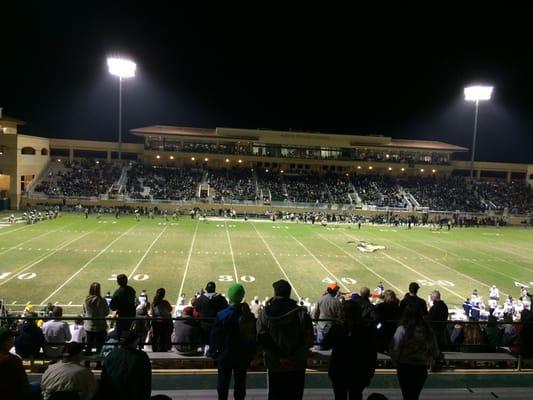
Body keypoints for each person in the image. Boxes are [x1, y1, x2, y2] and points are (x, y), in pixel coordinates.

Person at [257, 279, 314, 400]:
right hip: (296, 364)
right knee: (295, 395)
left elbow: (261, 337)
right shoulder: (301, 313)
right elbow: (308, 339)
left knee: (275, 395)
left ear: (276, 293)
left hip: (275, 364)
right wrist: (293, 357)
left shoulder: (265, 313)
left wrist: (279, 357)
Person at [210, 284, 257, 400]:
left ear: (229, 297)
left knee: (222, 385)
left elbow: (214, 337)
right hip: (242, 355)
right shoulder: (248, 315)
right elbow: (253, 337)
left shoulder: (222, 315)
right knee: (240, 385)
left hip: (225, 355)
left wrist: (213, 353)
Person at [323, 300, 377, 400]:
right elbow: (372, 352)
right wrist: (370, 371)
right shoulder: (366, 329)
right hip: (358, 371)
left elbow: (325, 344)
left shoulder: (337, 328)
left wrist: (333, 326)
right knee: (356, 396)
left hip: (339, 370)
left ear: (343, 313)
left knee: (339, 396)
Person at [391, 303, 439, 400]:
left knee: (407, 395)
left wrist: (395, 361)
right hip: (421, 366)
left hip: (405, 366)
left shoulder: (402, 329)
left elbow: (395, 348)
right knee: (414, 396)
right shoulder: (427, 330)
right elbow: (435, 351)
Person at [100, 330, 152, 400]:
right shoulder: (141, 356)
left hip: (114, 394)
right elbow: (146, 380)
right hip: (134, 395)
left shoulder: (112, 355)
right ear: (133, 342)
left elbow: (104, 377)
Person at [0, 326, 33, 400]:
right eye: (12, 337)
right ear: (6, 341)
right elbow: (24, 382)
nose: (14, 339)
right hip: (11, 394)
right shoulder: (13, 359)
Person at [194, 281, 228, 348]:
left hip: (204, 324)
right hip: (217, 323)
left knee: (205, 342)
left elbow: (197, 308)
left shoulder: (200, 299)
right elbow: (225, 307)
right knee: (216, 342)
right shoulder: (221, 299)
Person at [83, 282, 110, 356]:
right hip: (100, 327)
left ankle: (87, 363)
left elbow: (84, 311)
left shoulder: (86, 300)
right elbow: (106, 313)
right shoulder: (102, 300)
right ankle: (98, 364)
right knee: (100, 347)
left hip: (89, 327)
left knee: (88, 346)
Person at [313, 283, 342, 349]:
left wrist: (316, 322)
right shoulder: (337, 302)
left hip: (321, 324)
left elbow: (315, 313)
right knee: (331, 345)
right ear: (335, 292)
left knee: (319, 345)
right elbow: (340, 316)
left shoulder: (320, 299)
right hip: (332, 326)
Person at [110, 274, 137, 338]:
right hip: (132, 314)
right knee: (128, 333)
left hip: (122, 316)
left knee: (120, 334)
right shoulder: (131, 289)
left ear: (118, 282)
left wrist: (118, 307)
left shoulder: (118, 292)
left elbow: (112, 306)